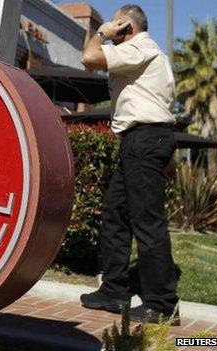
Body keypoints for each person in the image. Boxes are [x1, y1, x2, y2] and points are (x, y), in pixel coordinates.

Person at [79, 4, 179, 324]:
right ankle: (113, 290)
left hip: (144, 140)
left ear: (126, 26)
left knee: (146, 221)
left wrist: (101, 33)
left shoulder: (139, 46)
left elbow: (89, 58)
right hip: (143, 141)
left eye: (116, 24)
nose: (111, 29)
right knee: (115, 214)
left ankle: (162, 305)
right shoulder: (151, 54)